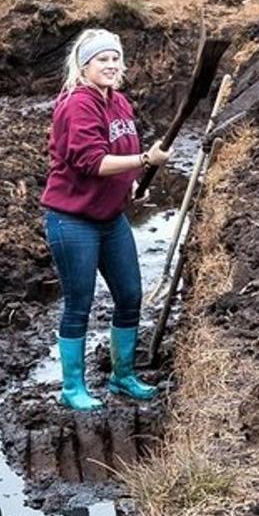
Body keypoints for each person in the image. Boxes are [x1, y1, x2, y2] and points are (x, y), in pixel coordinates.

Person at [40, 29, 170, 411]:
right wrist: (145, 161)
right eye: (103, 60)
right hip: (72, 220)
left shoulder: (120, 103)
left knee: (130, 295)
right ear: (84, 66)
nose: (112, 65)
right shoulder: (77, 105)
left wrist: (132, 185)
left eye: (116, 59)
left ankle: (123, 376)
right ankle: (72, 387)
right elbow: (92, 162)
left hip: (110, 218)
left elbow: (121, 154)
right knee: (79, 302)